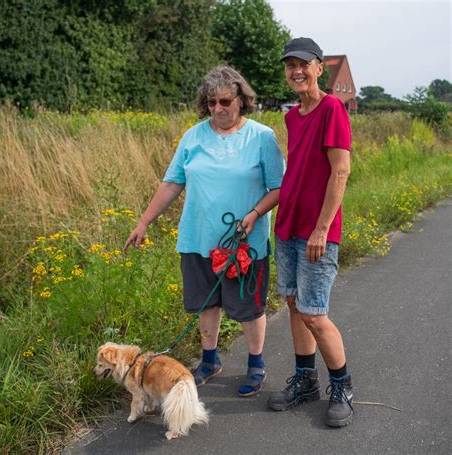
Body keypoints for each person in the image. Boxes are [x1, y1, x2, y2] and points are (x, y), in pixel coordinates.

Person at [124, 66, 285, 397]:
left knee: (248, 306)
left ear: (241, 99)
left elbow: (279, 188)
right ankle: (209, 361)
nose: (217, 109)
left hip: (244, 244)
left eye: (224, 101)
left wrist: (254, 214)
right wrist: (144, 222)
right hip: (197, 238)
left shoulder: (262, 137)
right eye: (211, 102)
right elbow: (172, 182)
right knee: (205, 303)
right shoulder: (192, 137)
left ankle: (256, 364)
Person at [267, 37, 354, 427]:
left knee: (314, 313)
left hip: (317, 231)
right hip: (288, 226)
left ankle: (343, 386)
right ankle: (305, 380)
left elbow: (340, 171)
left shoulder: (332, 108)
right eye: (290, 66)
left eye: (304, 64)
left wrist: (322, 229)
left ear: (320, 68)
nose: (297, 71)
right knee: (293, 305)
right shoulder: (292, 115)